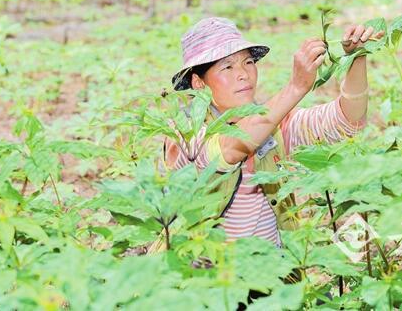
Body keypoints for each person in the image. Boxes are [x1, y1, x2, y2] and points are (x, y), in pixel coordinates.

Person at [160, 16, 383, 248]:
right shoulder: (183, 133)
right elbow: (228, 149)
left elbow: (347, 121)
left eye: (248, 62)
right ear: (199, 83)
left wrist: (356, 57)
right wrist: (296, 87)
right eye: (227, 66)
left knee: (366, 237)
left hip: (272, 276)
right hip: (207, 277)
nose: (243, 74)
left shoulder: (273, 126)